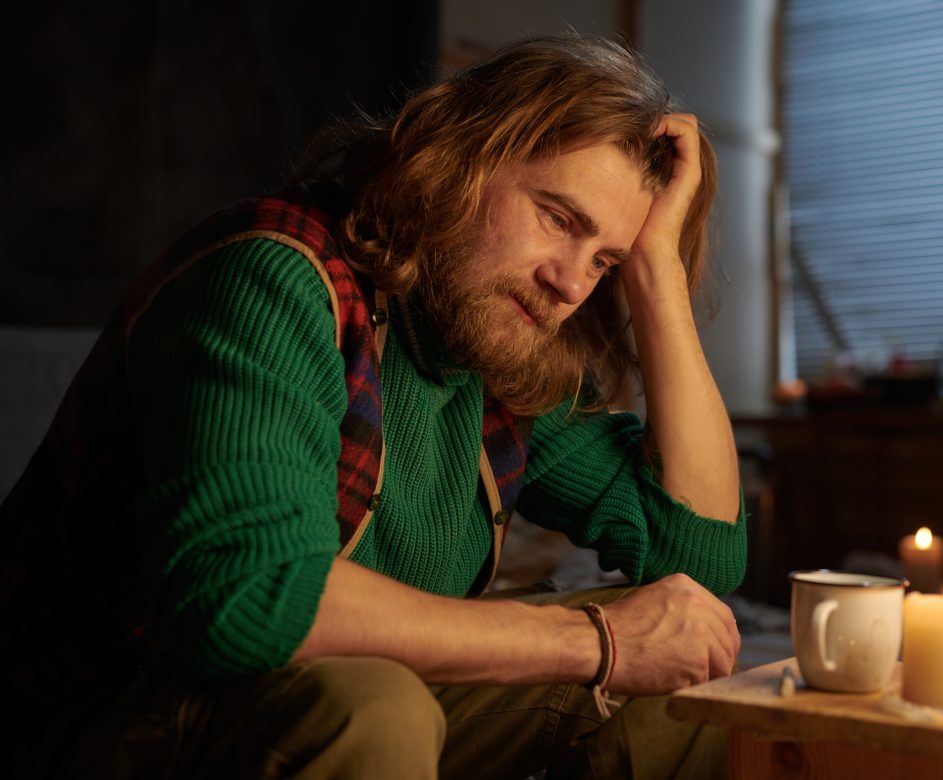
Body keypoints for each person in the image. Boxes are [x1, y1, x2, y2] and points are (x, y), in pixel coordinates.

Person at [0, 35, 747, 778]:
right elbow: (248, 594)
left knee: (686, 676)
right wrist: (595, 641)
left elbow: (702, 554)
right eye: (559, 219)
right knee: (378, 704)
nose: (571, 285)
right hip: (106, 715)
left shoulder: (493, 340)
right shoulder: (272, 279)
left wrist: (658, 276)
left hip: (337, 692)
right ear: (464, 156)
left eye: (604, 260)